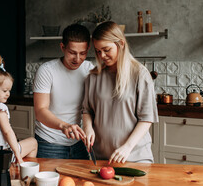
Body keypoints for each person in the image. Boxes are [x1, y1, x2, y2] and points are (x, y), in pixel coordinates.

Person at [82, 21, 158, 164]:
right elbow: (87, 110)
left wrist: (127, 147)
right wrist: (87, 127)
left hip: (135, 157)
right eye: (98, 51)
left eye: (106, 49)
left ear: (121, 44)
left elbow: (146, 118)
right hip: (102, 158)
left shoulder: (140, 74)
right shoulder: (93, 77)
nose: (102, 55)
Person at [33, 24, 94, 159]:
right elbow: (40, 111)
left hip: (78, 142)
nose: (77, 59)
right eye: (72, 52)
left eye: (82, 53)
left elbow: (91, 107)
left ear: (88, 49)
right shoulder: (47, 70)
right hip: (49, 142)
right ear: (62, 47)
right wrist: (64, 126)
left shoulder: (90, 69)